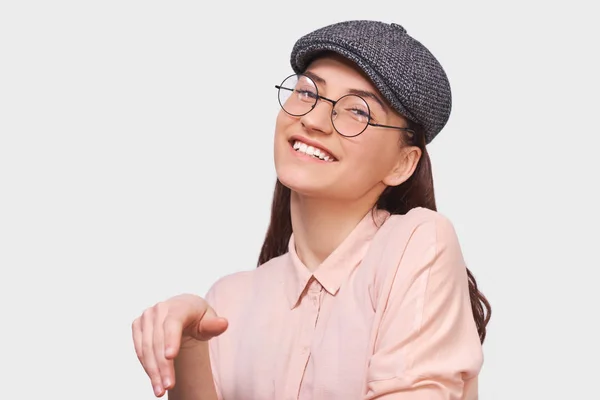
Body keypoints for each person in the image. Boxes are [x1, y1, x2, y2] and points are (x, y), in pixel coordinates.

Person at [132, 20, 491, 400]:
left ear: (402, 163)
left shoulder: (417, 243)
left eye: (358, 111)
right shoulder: (227, 302)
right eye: (307, 92)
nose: (313, 119)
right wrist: (189, 348)